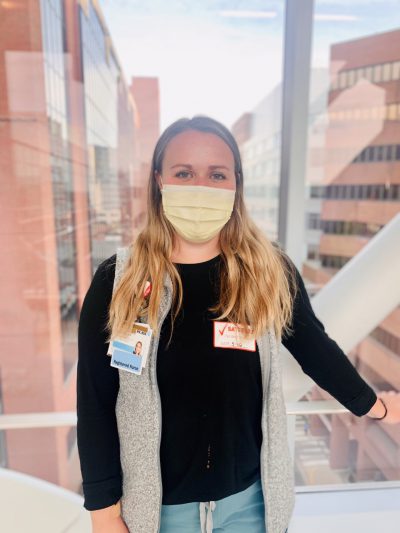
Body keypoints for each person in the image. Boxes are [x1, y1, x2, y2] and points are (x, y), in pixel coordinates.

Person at [77, 115, 400, 533]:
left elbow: (316, 351)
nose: (201, 187)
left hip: (251, 507)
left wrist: (377, 407)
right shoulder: (119, 280)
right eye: (184, 173)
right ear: (159, 180)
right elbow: (95, 401)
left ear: (236, 184)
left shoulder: (268, 271)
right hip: (158, 514)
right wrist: (103, 513)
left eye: (217, 174)